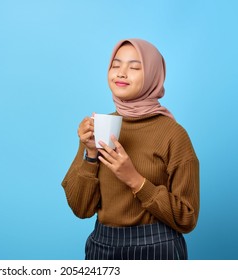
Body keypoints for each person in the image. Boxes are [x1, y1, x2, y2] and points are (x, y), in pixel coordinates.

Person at [61, 38, 199, 260]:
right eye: (116, 65)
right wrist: (91, 154)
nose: (121, 73)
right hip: (102, 248)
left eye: (134, 67)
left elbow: (187, 218)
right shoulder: (99, 127)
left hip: (157, 250)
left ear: (153, 76)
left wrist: (135, 179)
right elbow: (81, 209)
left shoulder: (173, 134)